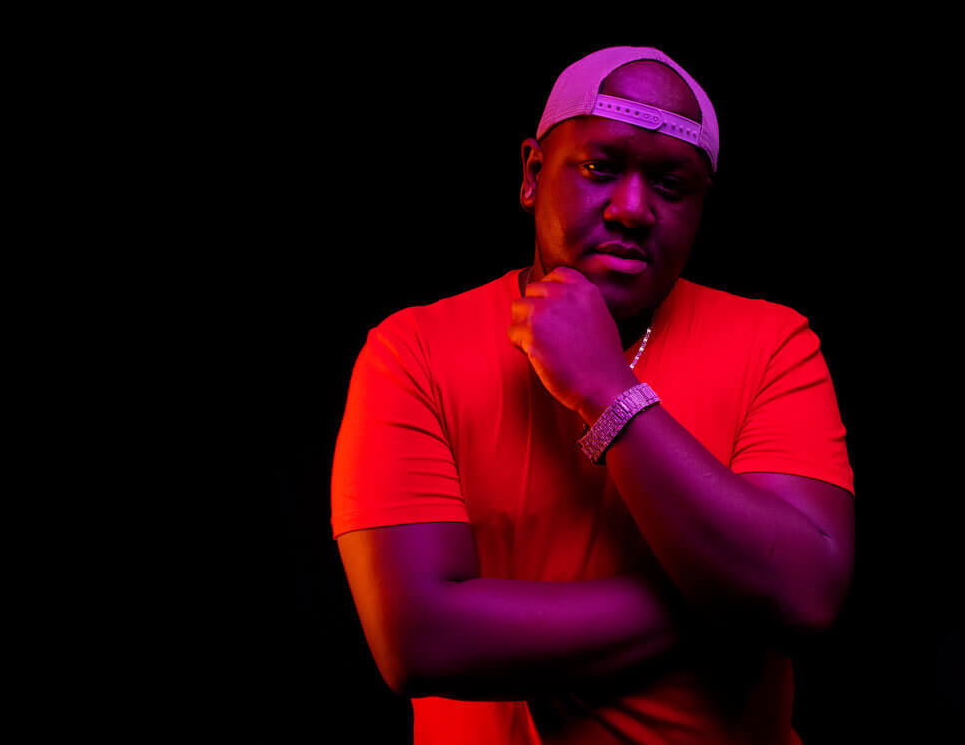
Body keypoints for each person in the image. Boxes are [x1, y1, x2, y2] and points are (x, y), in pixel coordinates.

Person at [331, 46, 855, 744]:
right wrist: (731, 596)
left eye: (671, 184)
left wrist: (608, 389)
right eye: (600, 167)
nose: (633, 209)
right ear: (531, 174)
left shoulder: (775, 343)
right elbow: (419, 639)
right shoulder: (412, 351)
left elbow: (804, 596)